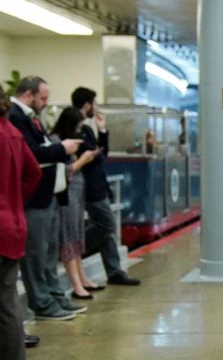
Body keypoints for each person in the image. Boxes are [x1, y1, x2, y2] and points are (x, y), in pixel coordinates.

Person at [8, 76, 85, 320]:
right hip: (35, 198)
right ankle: (41, 302)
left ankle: (54, 296)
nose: (45, 103)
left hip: (49, 196)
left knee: (49, 251)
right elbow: (30, 155)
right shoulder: (16, 119)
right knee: (36, 253)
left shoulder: (31, 119)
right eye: (43, 98)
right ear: (28, 95)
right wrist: (61, 149)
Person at [71, 87, 140, 286]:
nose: (96, 107)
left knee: (107, 231)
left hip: (97, 184)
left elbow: (101, 154)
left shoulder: (87, 129)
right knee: (107, 224)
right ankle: (74, 247)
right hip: (90, 187)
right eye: (94, 103)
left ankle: (114, 271)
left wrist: (102, 131)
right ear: (86, 104)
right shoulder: (78, 130)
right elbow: (95, 157)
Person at [0, 92, 42, 360]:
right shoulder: (12, 132)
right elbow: (33, 173)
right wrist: (15, 203)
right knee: (8, 307)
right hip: (12, 227)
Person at [52, 107, 98, 300]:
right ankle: (76, 285)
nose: (80, 130)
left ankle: (82, 278)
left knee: (77, 233)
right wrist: (82, 161)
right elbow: (63, 172)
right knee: (68, 235)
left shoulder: (74, 142)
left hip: (77, 195)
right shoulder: (56, 142)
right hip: (66, 197)